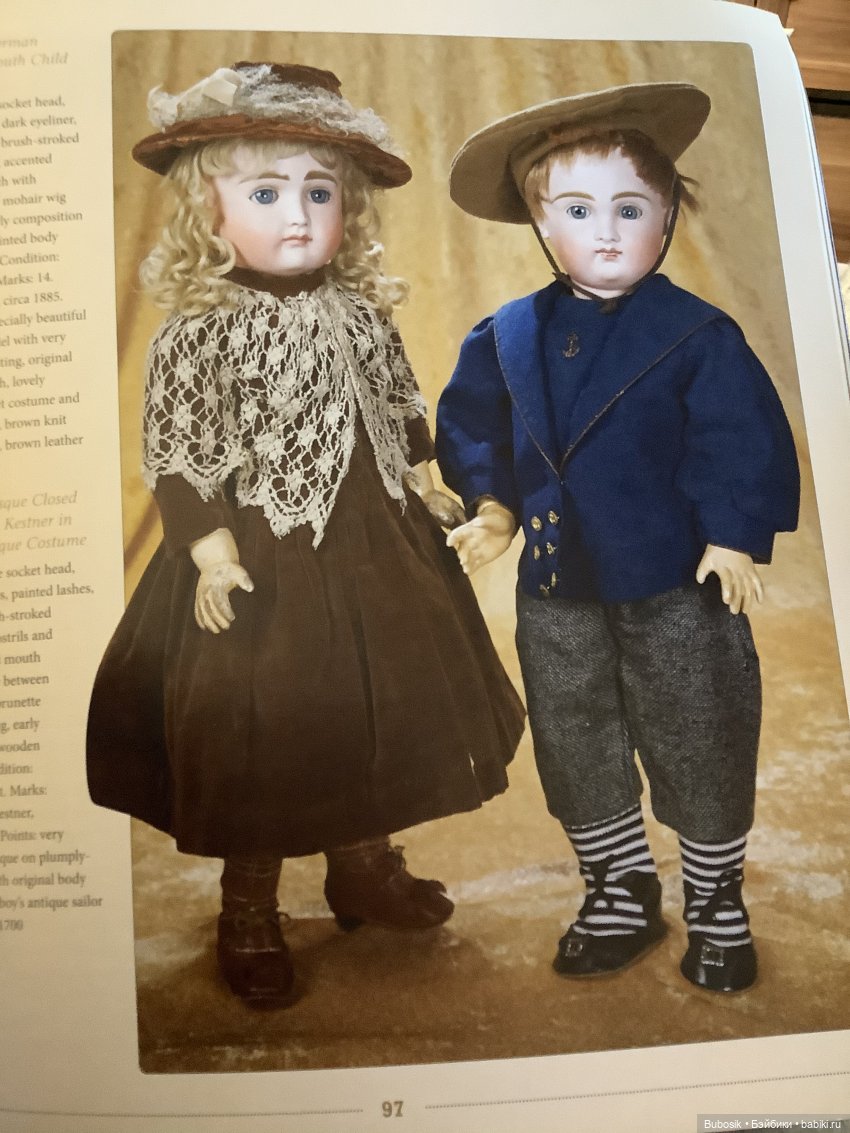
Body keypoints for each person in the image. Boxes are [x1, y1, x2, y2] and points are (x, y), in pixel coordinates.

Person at [87, 61, 524, 1009]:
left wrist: (426, 486)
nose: (297, 215)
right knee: (270, 723)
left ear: (349, 210)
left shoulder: (361, 313)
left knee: (373, 705)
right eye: (266, 192)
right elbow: (181, 457)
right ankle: (248, 902)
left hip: (375, 546)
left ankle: (362, 865)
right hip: (262, 556)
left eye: (319, 193)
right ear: (208, 211)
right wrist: (211, 553)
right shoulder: (198, 330)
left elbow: (396, 412)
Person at [436, 82, 799, 993]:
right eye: (577, 210)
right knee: (576, 737)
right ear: (539, 221)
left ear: (667, 217)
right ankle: (620, 885)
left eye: (630, 209)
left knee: (701, 730)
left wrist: (733, 535)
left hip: (676, 583)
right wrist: (494, 507)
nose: (606, 232)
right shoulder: (506, 335)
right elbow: (476, 427)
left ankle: (715, 896)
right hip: (558, 589)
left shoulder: (696, 335)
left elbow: (738, 437)